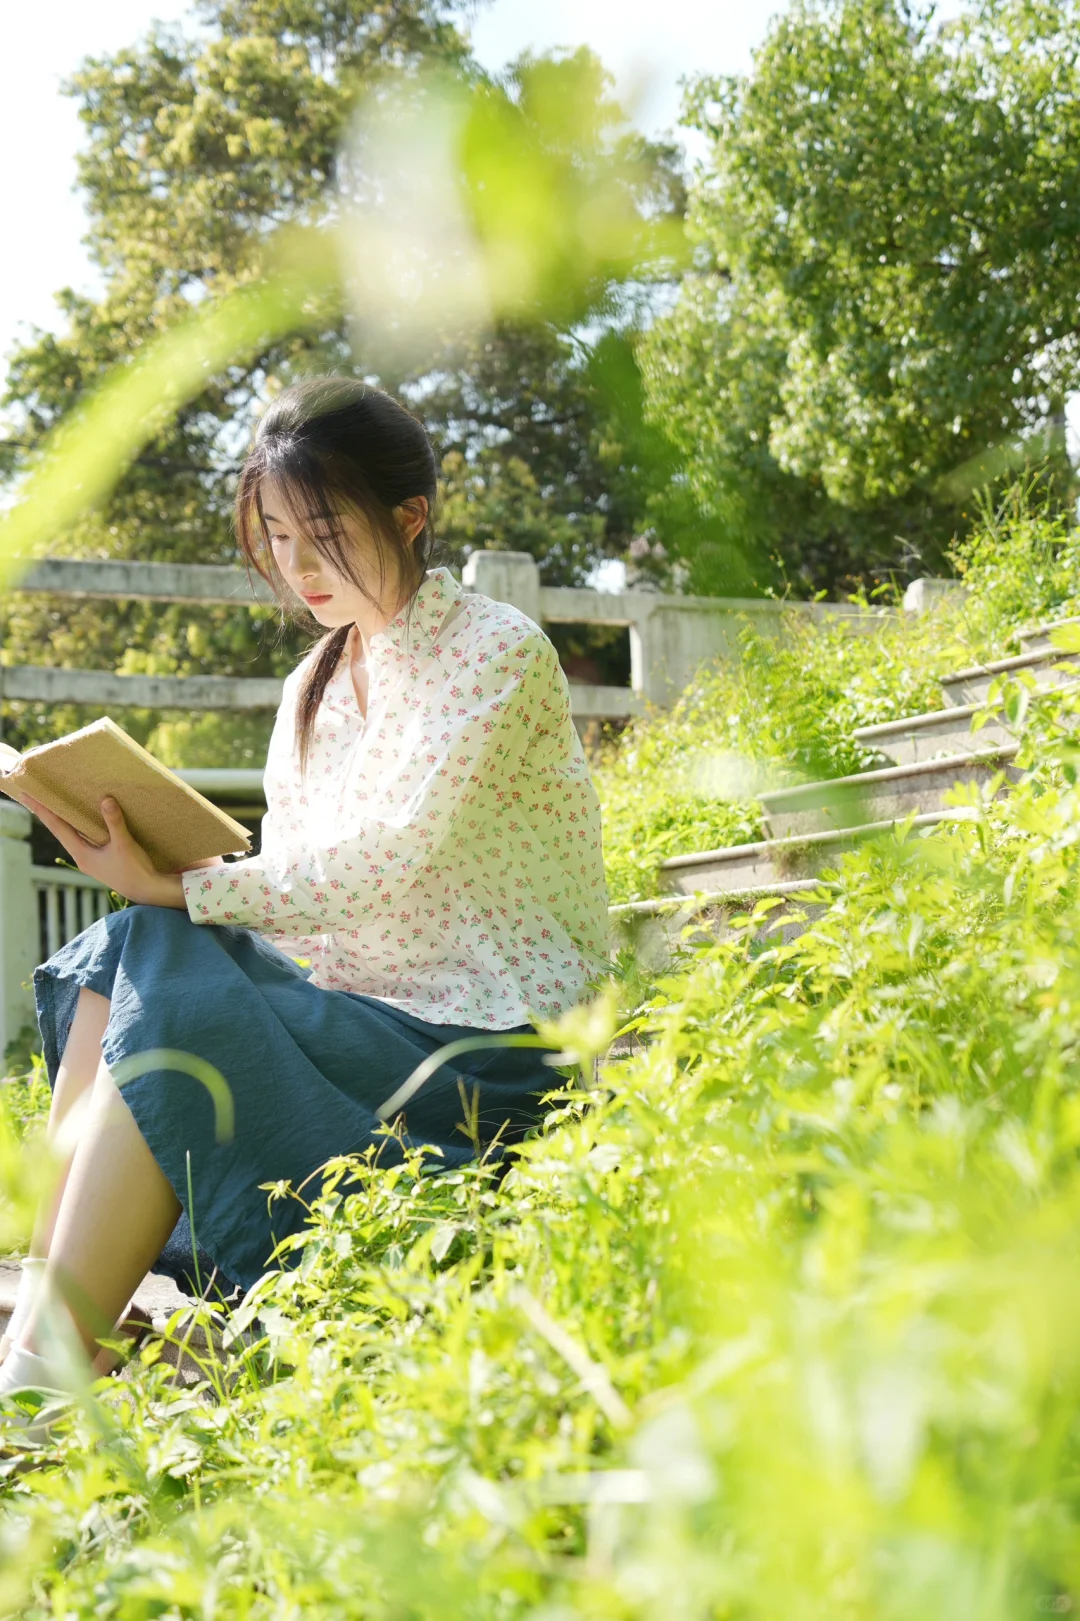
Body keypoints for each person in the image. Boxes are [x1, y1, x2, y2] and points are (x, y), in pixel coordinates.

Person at [0, 377, 610, 1400]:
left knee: (165, 935)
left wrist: (187, 886)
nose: (298, 566)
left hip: (491, 1047)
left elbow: (380, 857)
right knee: (132, 946)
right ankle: (51, 1316)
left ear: (411, 517)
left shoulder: (495, 652)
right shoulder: (312, 687)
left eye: (324, 532)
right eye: (278, 536)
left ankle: (44, 1370)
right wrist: (167, 887)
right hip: (362, 1022)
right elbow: (303, 904)